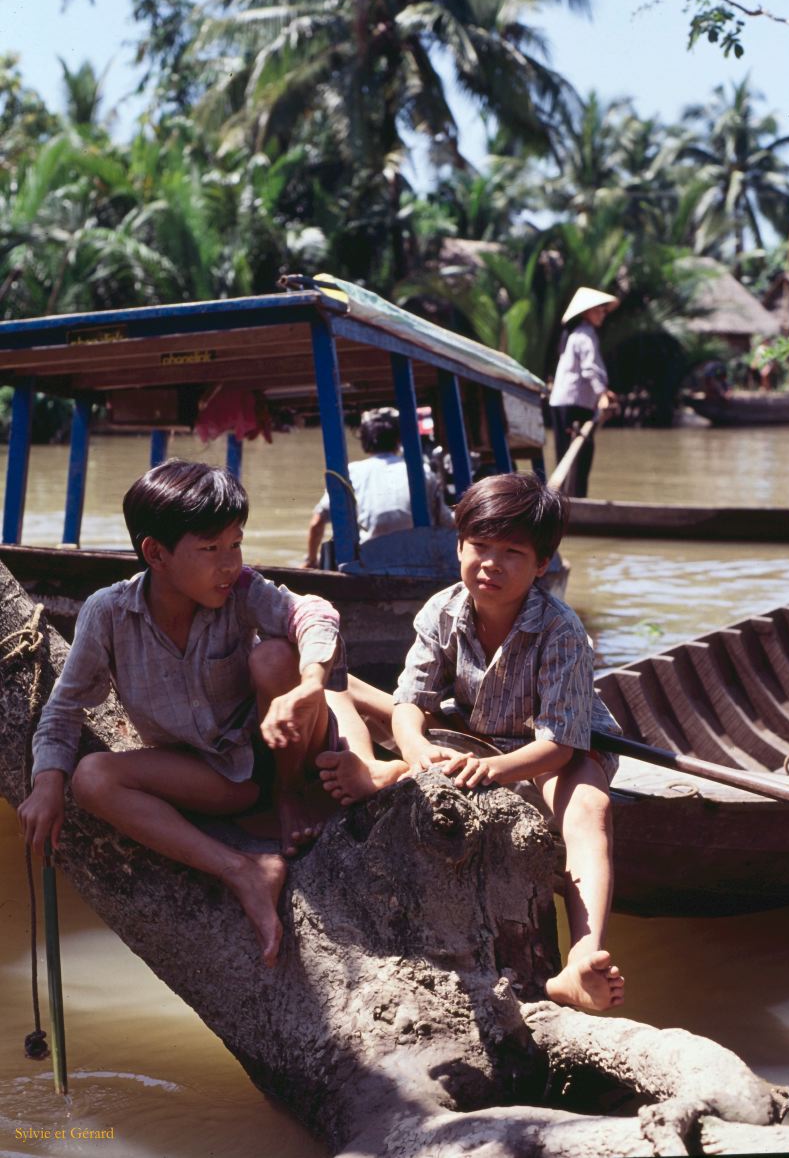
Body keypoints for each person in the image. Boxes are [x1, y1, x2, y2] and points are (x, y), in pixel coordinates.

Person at [17, 459, 374, 968]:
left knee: (275, 657)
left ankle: (292, 796)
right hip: (212, 774)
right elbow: (63, 707)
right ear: (155, 553)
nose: (229, 563)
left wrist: (312, 683)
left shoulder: (243, 590)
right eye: (210, 549)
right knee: (91, 778)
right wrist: (47, 781)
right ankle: (241, 868)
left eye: (235, 543)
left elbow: (313, 612)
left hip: (281, 749)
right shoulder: (108, 612)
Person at [319, 473, 625, 1013]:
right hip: (472, 731)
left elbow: (558, 745)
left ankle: (581, 958)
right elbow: (412, 700)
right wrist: (415, 748)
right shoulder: (441, 609)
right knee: (337, 684)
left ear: (542, 565)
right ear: (458, 546)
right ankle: (386, 766)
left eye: (512, 552)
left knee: (589, 811)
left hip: (557, 750)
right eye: (479, 546)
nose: (491, 563)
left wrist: (490, 771)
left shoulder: (561, 631)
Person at [303, 407, 453, 566]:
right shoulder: (421, 470)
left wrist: (310, 560)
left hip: (369, 560)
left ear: (365, 441)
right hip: (421, 559)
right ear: (399, 440)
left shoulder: (352, 472)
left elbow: (317, 523)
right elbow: (445, 521)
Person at [549, 287, 620, 498]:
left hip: (565, 402)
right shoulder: (585, 335)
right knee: (580, 456)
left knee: (567, 455)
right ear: (587, 312)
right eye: (600, 309)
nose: (603, 314)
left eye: (605, 310)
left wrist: (604, 392)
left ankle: (566, 500)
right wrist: (602, 395)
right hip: (574, 404)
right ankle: (575, 501)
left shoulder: (576, 335)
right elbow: (590, 368)